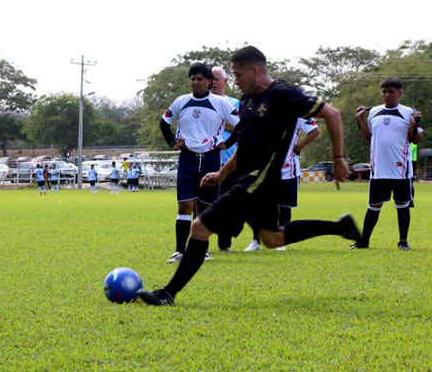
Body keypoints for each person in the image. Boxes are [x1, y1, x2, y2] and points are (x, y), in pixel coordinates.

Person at [137, 45, 360, 306]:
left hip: (262, 179)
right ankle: (340, 226)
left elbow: (331, 114)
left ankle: (168, 293)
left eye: (237, 74)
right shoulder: (247, 101)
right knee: (271, 238)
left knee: (199, 227)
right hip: (250, 178)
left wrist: (338, 159)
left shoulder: (284, 94)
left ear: (254, 70)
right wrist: (222, 172)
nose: (235, 81)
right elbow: (245, 146)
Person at [159, 63, 240, 264]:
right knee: (185, 206)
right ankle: (179, 251)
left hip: (211, 159)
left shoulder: (220, 103)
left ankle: (201, 251)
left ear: (209, 81)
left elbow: (242, 124)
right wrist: (172, 143)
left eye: (200, 79)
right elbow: (164, 122)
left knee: (204, 209)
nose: (195, 82)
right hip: (187, 159)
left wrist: (226, 143)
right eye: (193, 79)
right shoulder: (181, 101)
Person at [353, 77, 423, 251]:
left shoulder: (409, 112)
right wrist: (361, 120)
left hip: (400, 170)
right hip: (378, 170)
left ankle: (403, 241)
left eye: (391, 92)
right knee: (373, 206)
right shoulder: (374, 112)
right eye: (384, 92)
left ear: (399, 93)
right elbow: (369, 136)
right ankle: (364, 241)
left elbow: (416, 138)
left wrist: (415, 124)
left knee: (402, 205)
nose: (386, 95)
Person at [245, 116, 320, 252]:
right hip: (266, 168)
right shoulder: (266, 108)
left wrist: (299, 145)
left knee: (284, 207)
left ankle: (281, 240)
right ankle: (256, 240)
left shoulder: (298, 111)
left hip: (288, 169)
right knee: (260, 206)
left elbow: (314, 130)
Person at [211, 66, 241, 252]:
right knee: (202, 204)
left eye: (216, 78)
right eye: (210, 79)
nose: (213, 82)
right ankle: (200, 243)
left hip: (230, 162)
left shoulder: (235, 103)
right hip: (207, 160)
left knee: (231, 205)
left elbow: (242, 127)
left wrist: (221, 121)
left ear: (225, 81)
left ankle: (225, 244)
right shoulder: (200, 102)